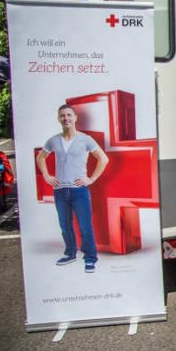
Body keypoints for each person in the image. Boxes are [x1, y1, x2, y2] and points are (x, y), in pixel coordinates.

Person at [36, 104, 109, 273]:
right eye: (62, 115)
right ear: (58, 118)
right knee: (65, 225)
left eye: (69, 115)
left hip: (79, 191)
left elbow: (103, 159)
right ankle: (70, 253)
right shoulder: (53, 140)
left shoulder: (86, 139)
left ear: (75, 118)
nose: (66, 118)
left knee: (85, 226)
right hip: (60, 191)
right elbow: (41, 158)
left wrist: (91, 179)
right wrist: (47, 176)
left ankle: (90, 258)